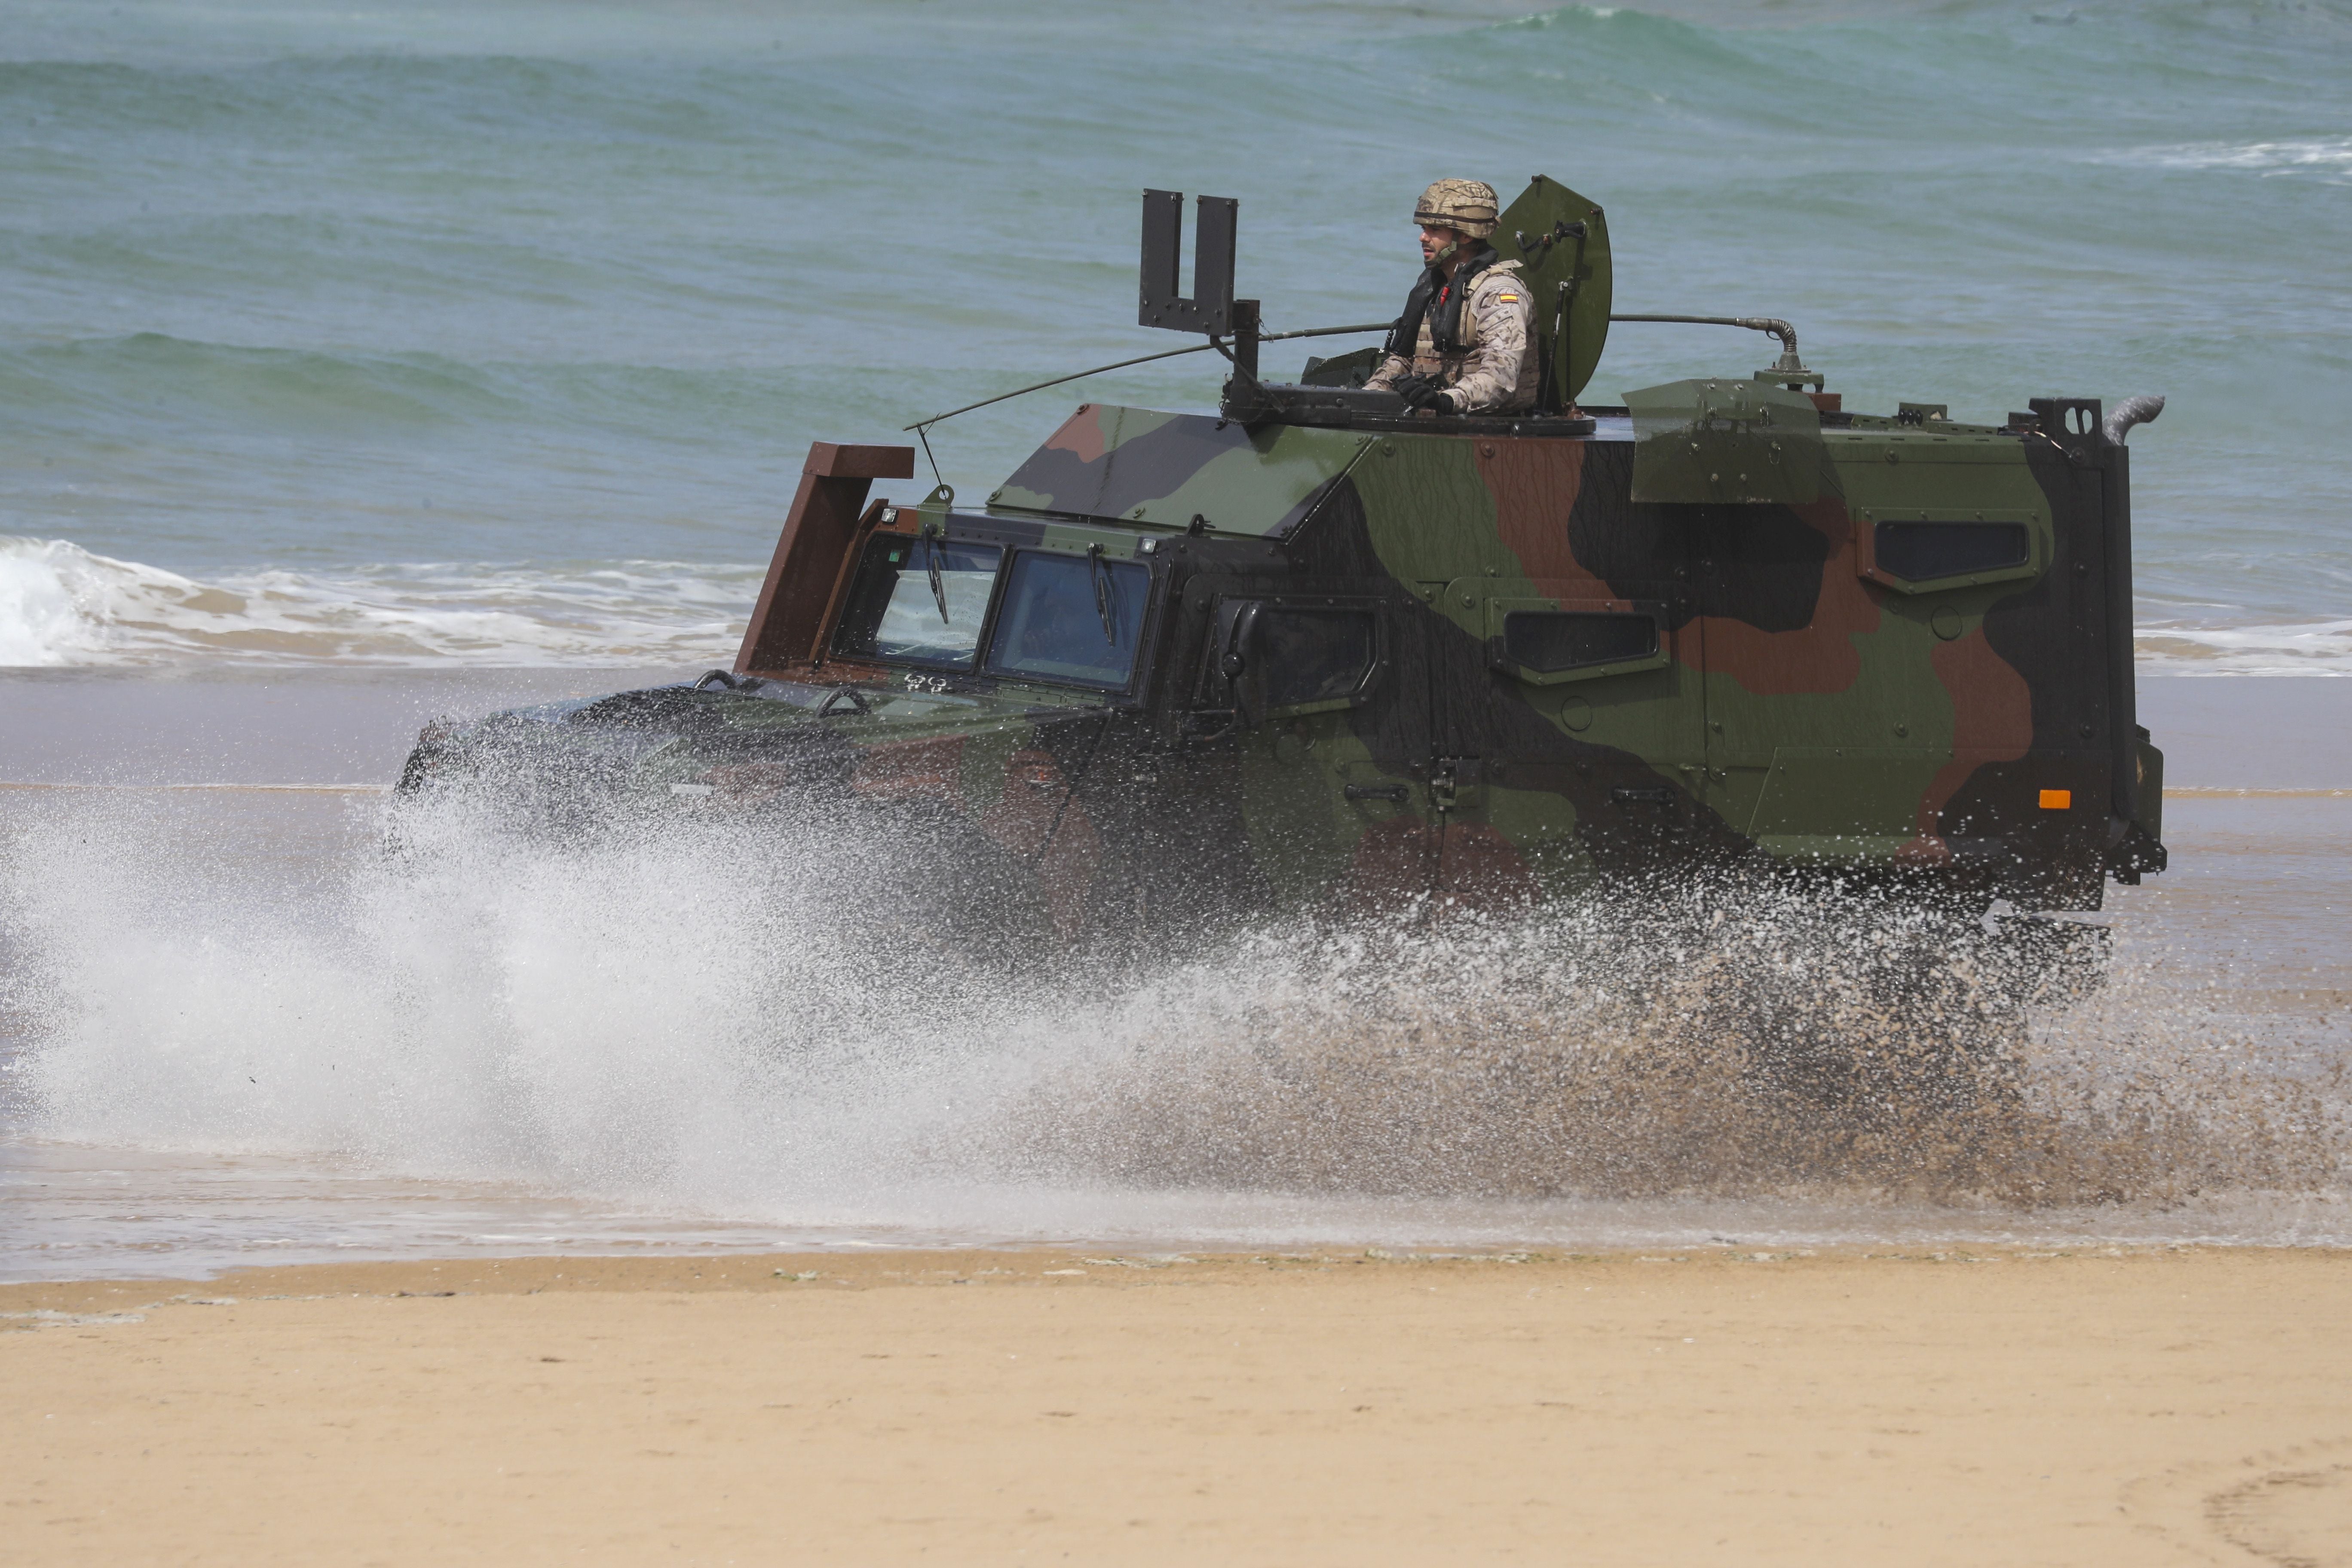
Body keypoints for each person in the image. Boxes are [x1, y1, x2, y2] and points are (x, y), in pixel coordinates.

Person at [1363, 179, 1539, 416]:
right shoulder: (1434, 287)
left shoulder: (1498, 293)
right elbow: (1404, 361)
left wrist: (1446, 401)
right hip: (1439, 418)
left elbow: (1500, 377)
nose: (1423, 238)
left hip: (1492, 429)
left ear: (1466, 236)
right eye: (1423, 228)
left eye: (1434, 230)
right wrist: (1368, 398)